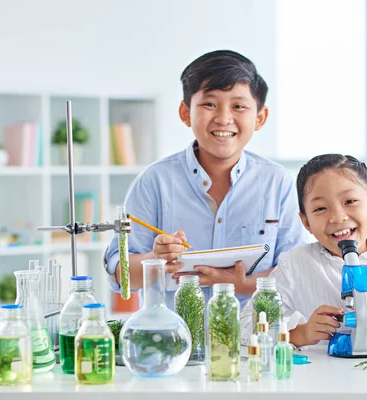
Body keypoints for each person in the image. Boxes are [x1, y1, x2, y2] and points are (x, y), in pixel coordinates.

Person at [104, 50, 307, 309]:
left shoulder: (277, 182)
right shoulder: (155, 181)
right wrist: (156, 259)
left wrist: (231, 282)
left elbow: (295, 276)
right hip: (173, 342)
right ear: (186, 112)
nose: (223, 118)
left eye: (238, 106)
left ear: (259, 118)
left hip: (257, 341)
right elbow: (121, 277)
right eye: (209, 104)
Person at [241, 154, 367, 346]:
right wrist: (300, 333)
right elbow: (246, 327)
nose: (338, 217)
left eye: (350, 202)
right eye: (320, 208)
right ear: (305, 222)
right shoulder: (295, 265)